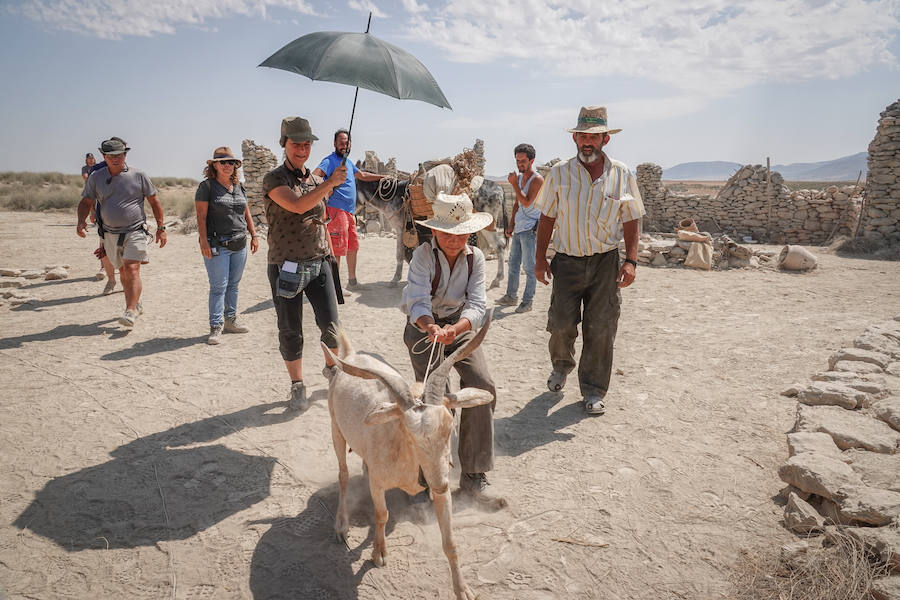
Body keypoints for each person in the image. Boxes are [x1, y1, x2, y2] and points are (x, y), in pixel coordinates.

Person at [533, 106, 644, 416]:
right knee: (562, 324)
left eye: (594, 137)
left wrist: (631, 260)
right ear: (575, 138)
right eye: (582, 135)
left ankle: (594, 389)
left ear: (605, 139)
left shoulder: (621, 174)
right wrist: (540, 261)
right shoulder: (559, 174)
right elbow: (546, 219)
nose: (587, 142)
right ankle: (561, 365)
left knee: (602, 327)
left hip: (605, 264)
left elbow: (631, 220)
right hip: (567, 262)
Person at [401, 192, 503, 503]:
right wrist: (432, 327)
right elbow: (416, 300)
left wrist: (454, 329)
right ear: (434, 231)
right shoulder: (422, 256)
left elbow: (476, 304)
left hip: (459, 328)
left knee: (482, 384)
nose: (454, 240)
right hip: (424, 330)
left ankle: (473, 473)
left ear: (469, 232)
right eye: (447, 233)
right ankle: (426, 477)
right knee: (434, 397)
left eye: (460, 234)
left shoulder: (476, 259)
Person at [263, 117, 347, 410]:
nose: (302, 149)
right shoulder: (274, 179)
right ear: (284, 144)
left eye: (307, 143)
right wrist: (330, 184)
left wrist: (329, 186)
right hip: (285, 265)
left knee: (331, 325)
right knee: (291, 330)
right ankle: (297, 384)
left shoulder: (313, 179)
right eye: (296, 143)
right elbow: (298, 205)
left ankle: (333, 371)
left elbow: (316, 211)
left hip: (319, 262)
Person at [77, 137, 167, 327]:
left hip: (135, 230)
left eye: (119, 155)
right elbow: (86, 202)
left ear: (125, 154)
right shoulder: (96, 177)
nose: (115, 159)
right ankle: (135, 303)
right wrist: (80, 222)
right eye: (111, 156)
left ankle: (130, 311)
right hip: (109, 234)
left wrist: (161, 228)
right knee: (123, 272)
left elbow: (154, 202)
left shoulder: (139, 175)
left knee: (132, 269)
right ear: (104, 156)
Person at [195, 146, 259, 345]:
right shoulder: (206, 187)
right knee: (218, 287)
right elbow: (201, 216)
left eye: (231, 162)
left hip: (240, 243)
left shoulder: (239, 186)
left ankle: (230, 320)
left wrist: (254, 234)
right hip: (217, 244)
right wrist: (203, 240)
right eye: (223, 162)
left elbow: (246, 211)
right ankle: (216, 326)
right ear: (214, 165)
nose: (227, 166)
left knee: (233, 285)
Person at [312, 129, 383, 290]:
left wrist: (382, 177)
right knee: (336, 249)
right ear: (335, 144)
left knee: (353, 247)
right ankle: (334, 288)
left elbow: (363, 175)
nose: (344, 145)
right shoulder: (329, 161)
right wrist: (330, 183)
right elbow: (315, 176)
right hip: (336, 210)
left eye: (347, 142)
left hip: (350, 213)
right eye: (341, 142)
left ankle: (352, 282)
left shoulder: (349, 163)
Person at [497, 143, 544, 314]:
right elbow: (517, 202)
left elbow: (526, 201)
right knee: (513, 264)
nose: (519, 164)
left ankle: (527, 301)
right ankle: (511, 296)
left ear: (532, 160)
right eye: (517, 161)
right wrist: (511, 225)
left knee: (529, 267)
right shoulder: (522, 178)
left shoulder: (537, 179)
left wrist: (514, 184)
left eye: (522, 161)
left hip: (531, 228)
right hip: (519, 228)